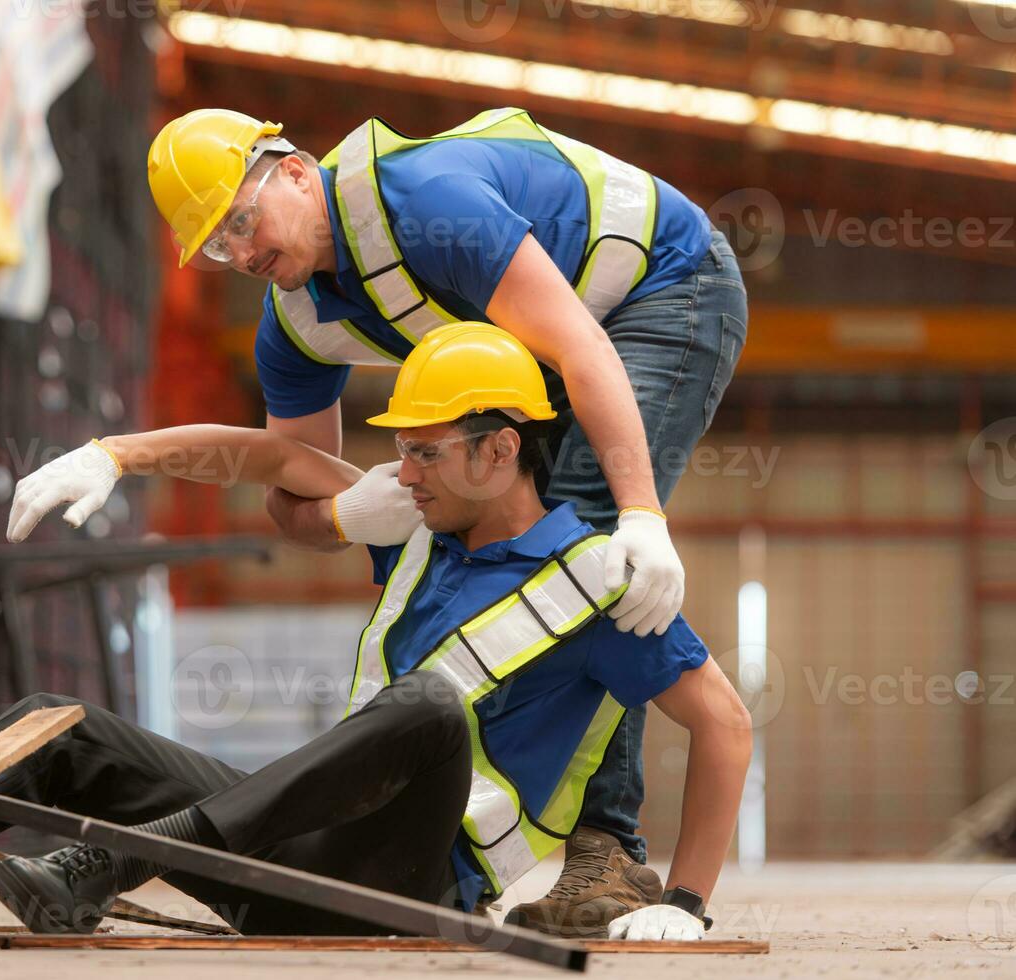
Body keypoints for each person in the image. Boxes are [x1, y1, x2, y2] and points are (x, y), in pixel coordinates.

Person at [0, 325, 750, 944]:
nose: (401, 470)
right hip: (295, 858)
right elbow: (263, 456)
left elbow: (725, 726)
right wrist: (117, 455)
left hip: (407, 890)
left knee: (427, 708)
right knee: (65, 729)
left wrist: (690, 905)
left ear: (500, 448)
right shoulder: (421, 529)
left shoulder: (598, 583)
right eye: (402, 450)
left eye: (424, 451)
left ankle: (105, 867)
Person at [145, 107, 750, 927]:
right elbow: (289, 483)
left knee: (587, 552)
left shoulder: (428, 204)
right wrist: (345, 512)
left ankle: (607, 851)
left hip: (663, 288)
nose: (243, 253)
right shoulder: (294, 324)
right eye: (219, 245)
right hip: (558, 338)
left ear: (292, 170)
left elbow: (581, 349)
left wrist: (640, 514)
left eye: (242, 221)